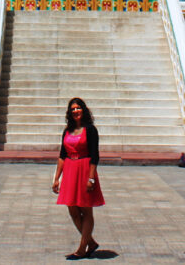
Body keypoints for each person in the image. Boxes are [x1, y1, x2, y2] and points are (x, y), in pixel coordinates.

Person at [52, 97, 104, 260]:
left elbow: (95, 155)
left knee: (86, 209)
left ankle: (82, 248)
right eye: (73, 109)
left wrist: (91, 178)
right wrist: (56, 178)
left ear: (84, 110)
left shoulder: (90, 130)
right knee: (72, 209)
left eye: (78, 108)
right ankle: (91, 242)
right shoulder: (67, 131)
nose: (76, 111)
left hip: (85, 169)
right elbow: (62, 155)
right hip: (70, 169)